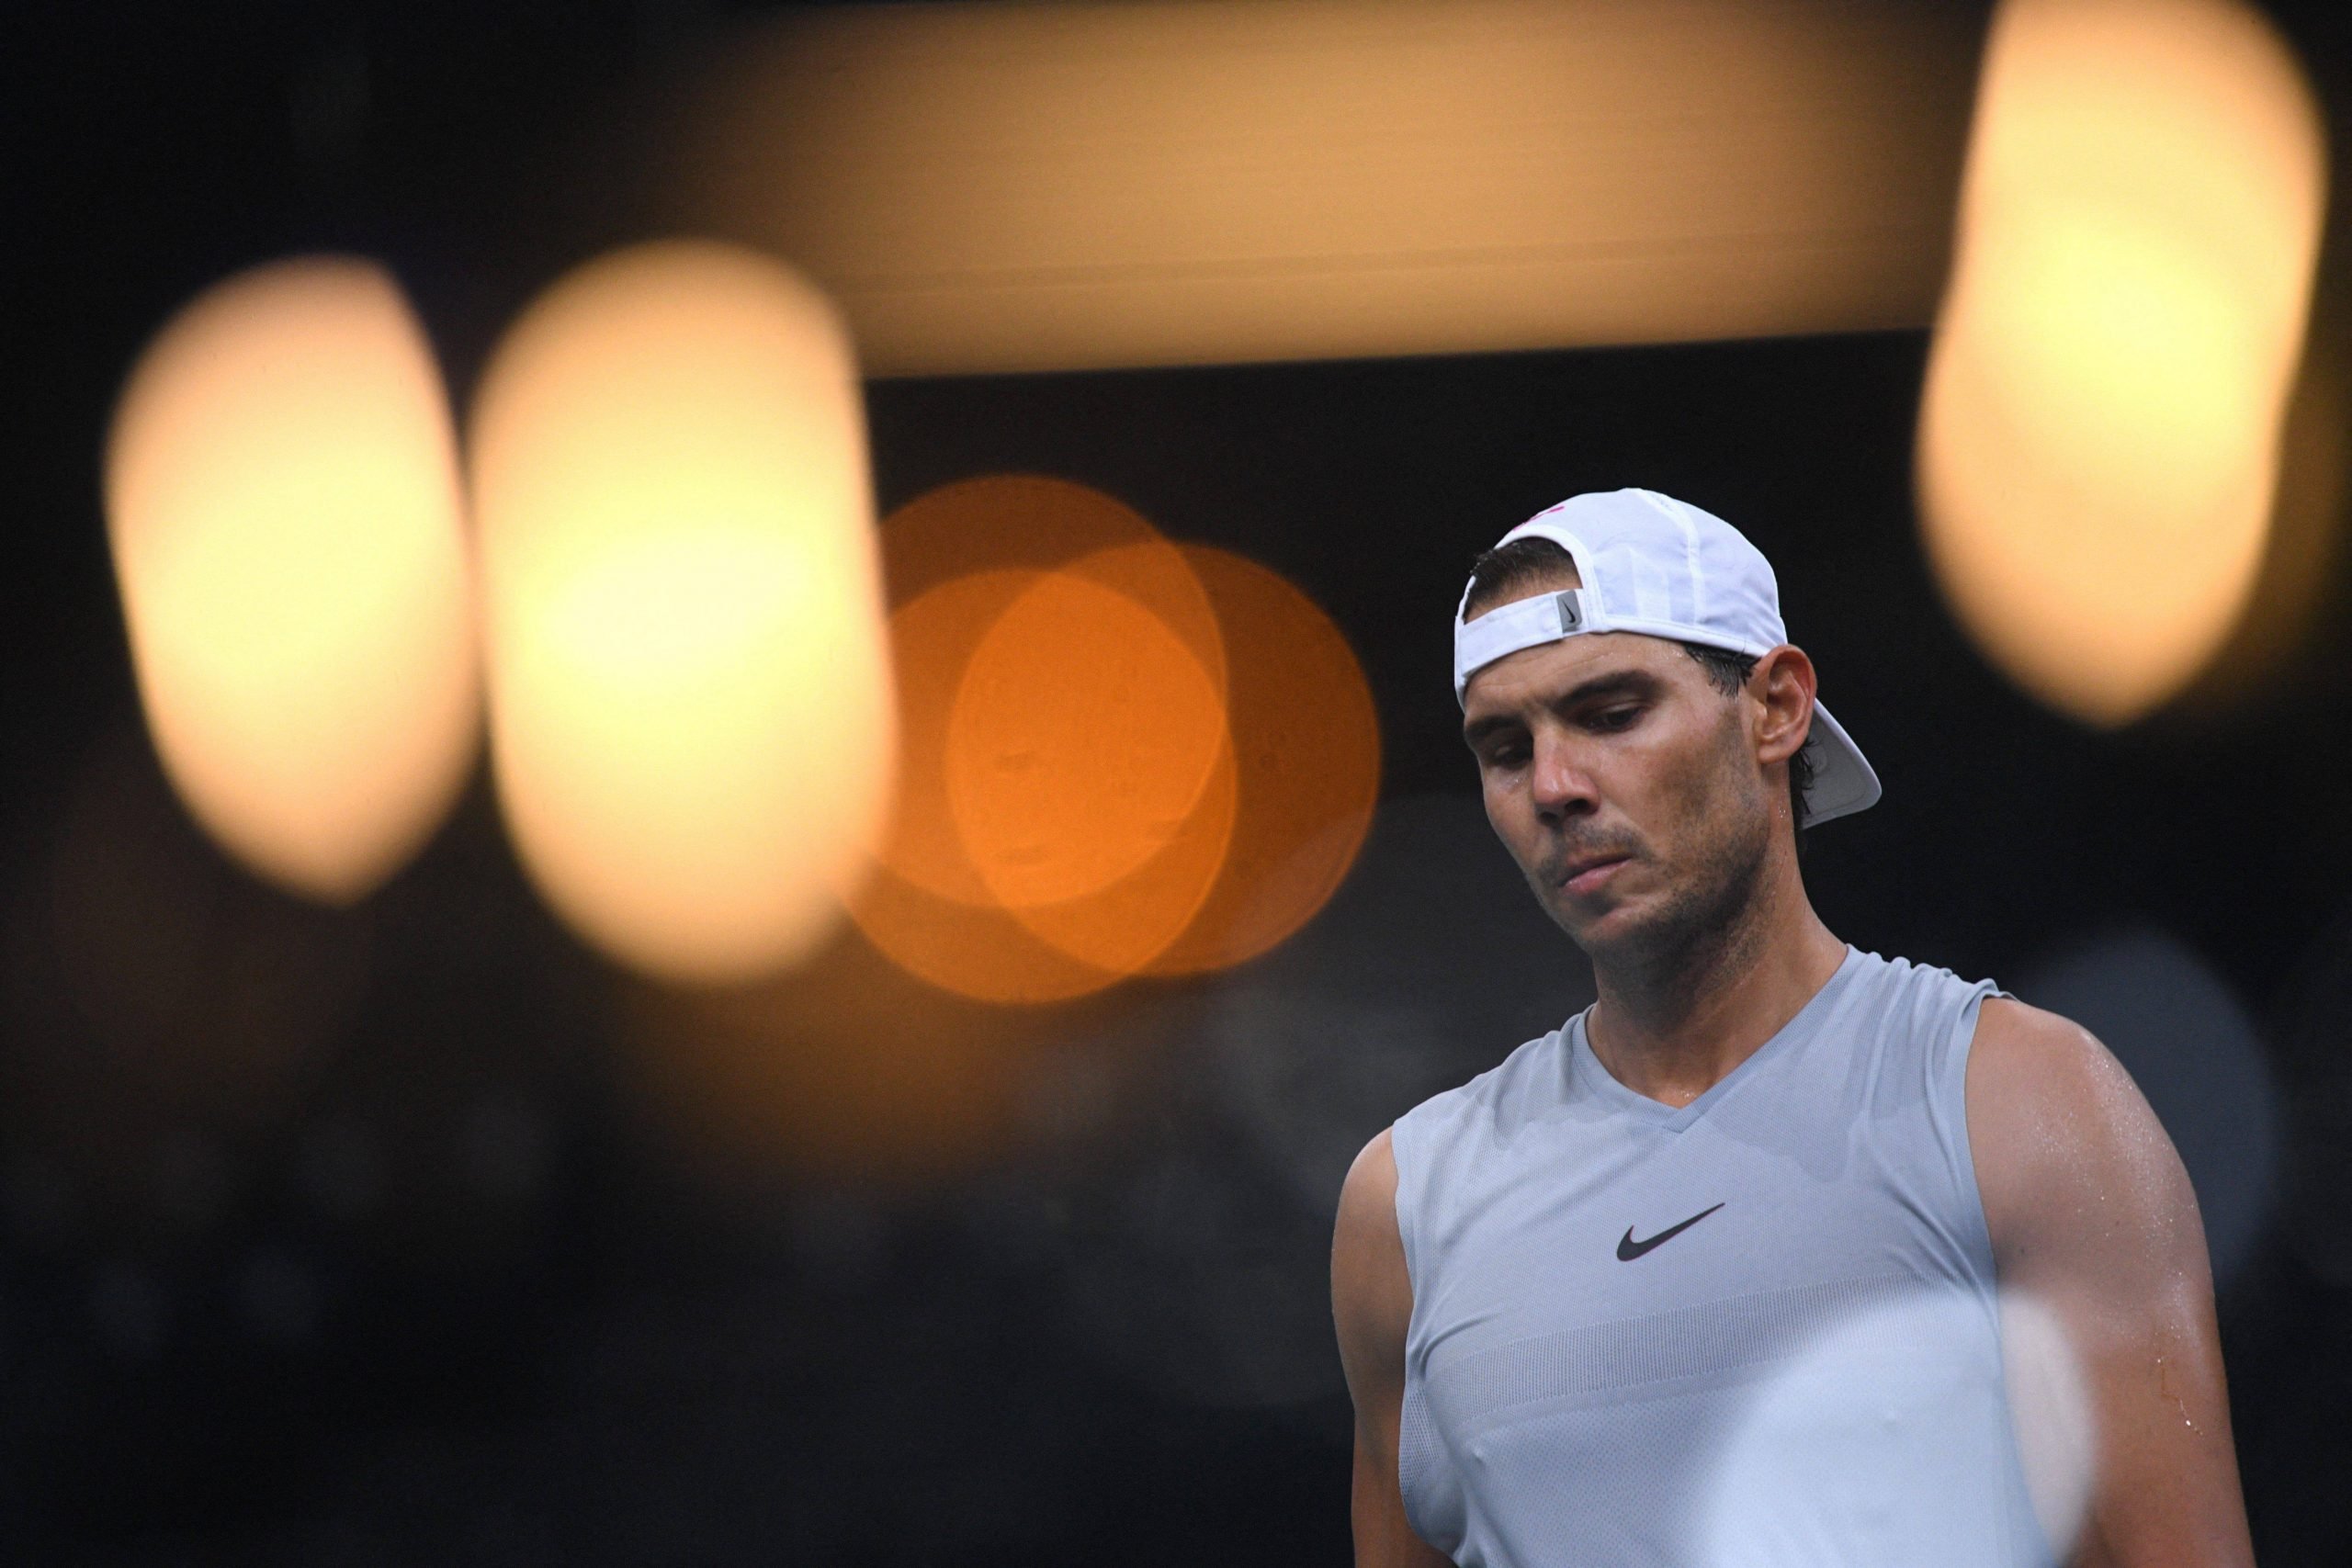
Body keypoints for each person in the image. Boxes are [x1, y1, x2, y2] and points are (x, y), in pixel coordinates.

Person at [1329, 490, 2254, 1567]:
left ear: (1774, 706)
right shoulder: (1406, 1207)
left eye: (1611, 712)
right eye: (1502, 746)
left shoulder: (2020, 1105)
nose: (1554, 785)